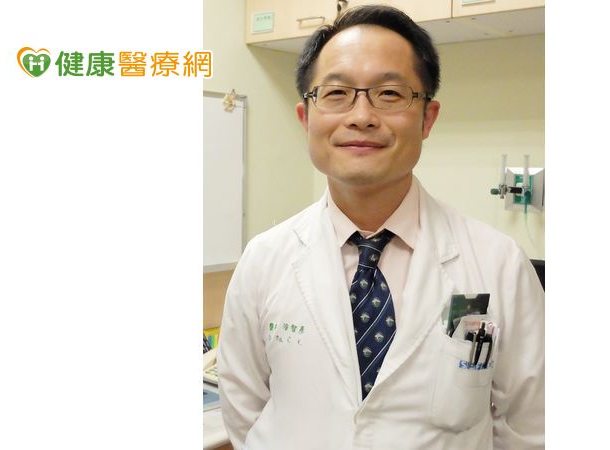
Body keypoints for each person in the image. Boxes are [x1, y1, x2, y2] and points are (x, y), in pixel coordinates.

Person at [218, 5, 544, 449]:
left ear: (428, 118)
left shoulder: (498, 263)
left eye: (389, 94)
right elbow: (245, 413)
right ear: (306, 118)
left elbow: (530, 424)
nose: (361, 116)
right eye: (336, 93)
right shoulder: (263, 259)